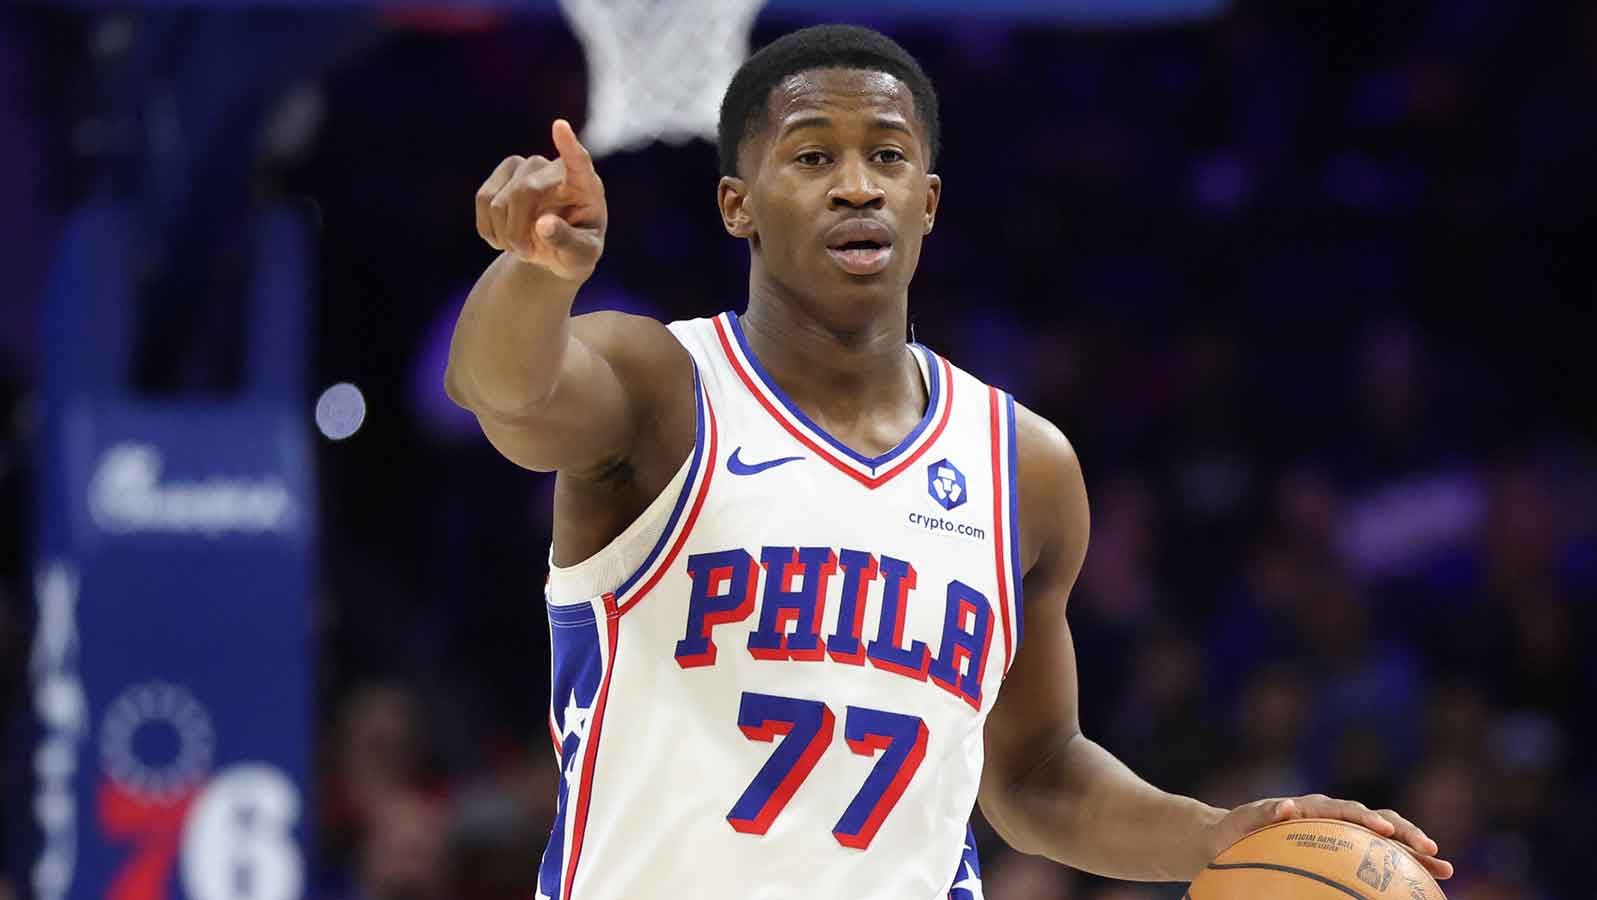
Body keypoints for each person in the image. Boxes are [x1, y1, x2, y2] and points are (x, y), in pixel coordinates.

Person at [444, 24, 1452, 900]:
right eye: (809, 158)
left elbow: (1035, 775)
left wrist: (1209, 834)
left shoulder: (1024, 465)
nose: (854, 185)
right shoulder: (660, 383)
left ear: (925, 200)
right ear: (736, 204)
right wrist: (534, 278)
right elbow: (507, 393)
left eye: (885, 157)